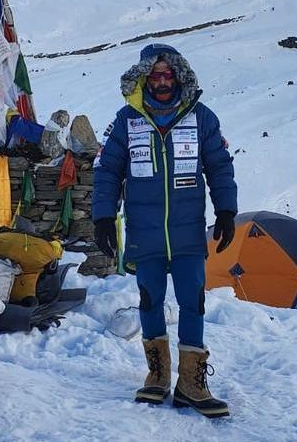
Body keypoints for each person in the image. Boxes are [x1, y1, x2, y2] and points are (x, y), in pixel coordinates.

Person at [92, 43, 238, 419]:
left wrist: (226, 210)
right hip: (145, 231)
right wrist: (103, 217)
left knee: (193, 301)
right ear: (144, 78)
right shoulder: (127, 121)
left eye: (167, 74)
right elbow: (108, 171)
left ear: (179, 76)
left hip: (188, 232)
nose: (160, 81)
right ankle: (157, 375)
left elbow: (219, 166)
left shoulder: (201, 118)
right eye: (154, 75)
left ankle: (191, 383)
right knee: (149, 299)